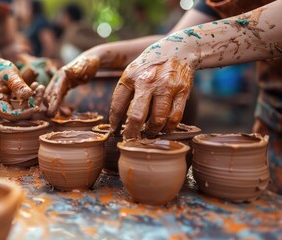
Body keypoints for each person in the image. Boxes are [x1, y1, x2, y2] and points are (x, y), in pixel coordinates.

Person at [45, 0, 282, 193]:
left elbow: (182, 44)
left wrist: (189, 47)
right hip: (272, 127)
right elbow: (173, 41)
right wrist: (99, 55)